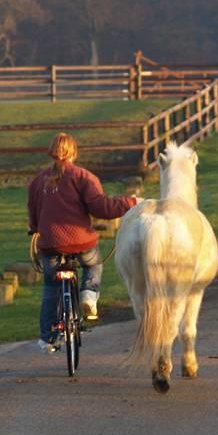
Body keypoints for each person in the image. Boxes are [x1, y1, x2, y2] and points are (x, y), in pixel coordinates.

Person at [28, 132, 140, 353]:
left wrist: (35, 230)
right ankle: (88, 294)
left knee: (51, 288)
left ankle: (47, 338)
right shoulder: (83, 177)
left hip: (49, 245)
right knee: (93, 264)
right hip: (80, 243)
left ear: (51, 151)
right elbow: (102, 208)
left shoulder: (37, 181)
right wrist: (132, 202)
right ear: (73, 152)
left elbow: (33, 214)